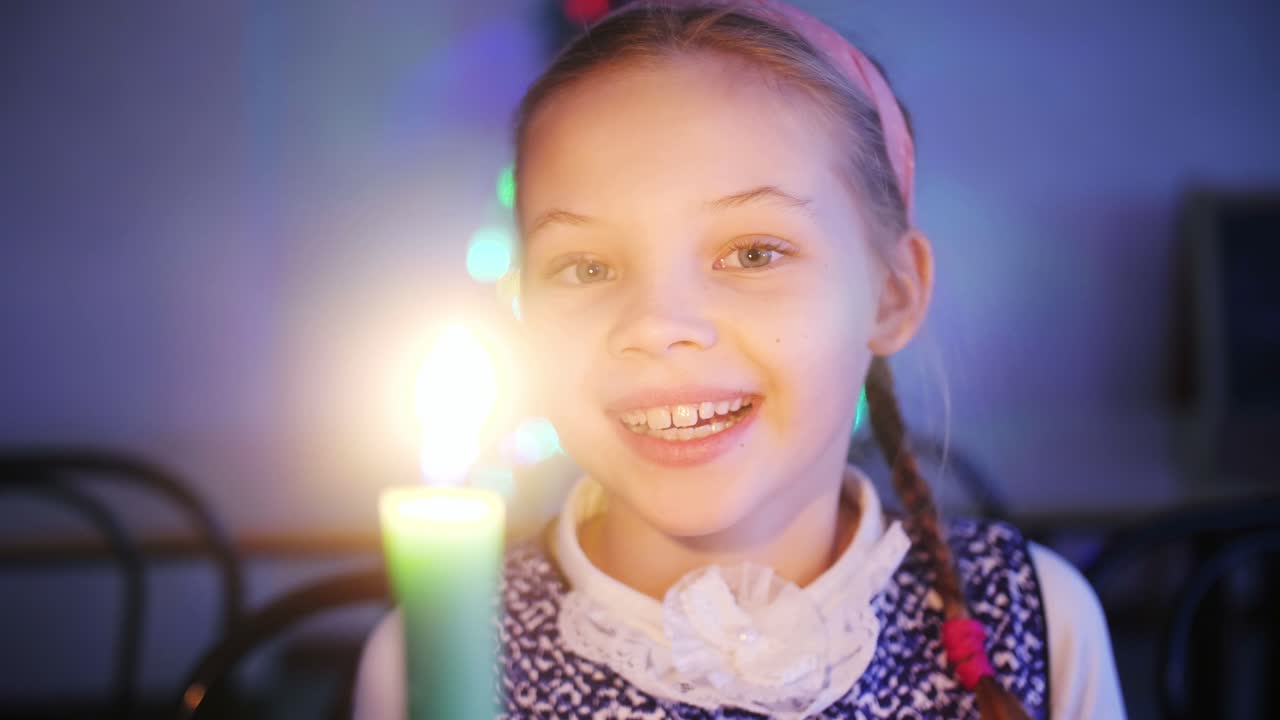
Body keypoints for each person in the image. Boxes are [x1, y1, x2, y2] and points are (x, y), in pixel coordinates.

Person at [355, 1, 1126, 717]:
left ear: (891, 294)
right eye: (586, 267)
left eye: (754, 252)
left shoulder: (1037, 621)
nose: (657, 324)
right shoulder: (429, 653)